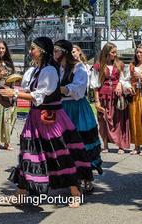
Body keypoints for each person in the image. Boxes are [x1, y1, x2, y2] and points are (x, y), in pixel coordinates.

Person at [0, 37, 92, 208]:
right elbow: (31, 91)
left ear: (42, 51)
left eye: (33, 48)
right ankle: (20, 193)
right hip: (35, 117)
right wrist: (13, 89)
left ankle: (75, 192)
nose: (30, 51)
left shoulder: (49, 71)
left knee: (59, 154)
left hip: (51, 118)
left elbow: (39, 96)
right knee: (27, 154)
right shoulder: (36, 70)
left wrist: (14, 94)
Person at [54, 40, 102, 193]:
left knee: (82, 143)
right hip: (62, 108)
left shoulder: (79, 67)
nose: (54, 54)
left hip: (77, 108)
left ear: (64, 52)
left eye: (57, 51)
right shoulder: (55, 68)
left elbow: (79, 90)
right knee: (65, 145)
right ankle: (72, 179)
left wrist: (59, 89)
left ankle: (87, 177)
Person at [91, 43, 130, 154]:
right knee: (103, 120)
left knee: (118, 120)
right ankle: (105, 145)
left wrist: (120, 84)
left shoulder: (119, 64)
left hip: (117, 97)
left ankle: (120, 145)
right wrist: (97, 101)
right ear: (107, 53)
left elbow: (124, 79)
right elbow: (95, 85)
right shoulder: (98, 66)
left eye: (115, 52)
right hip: (104, 96)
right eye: (113, 52)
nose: (115, 54)